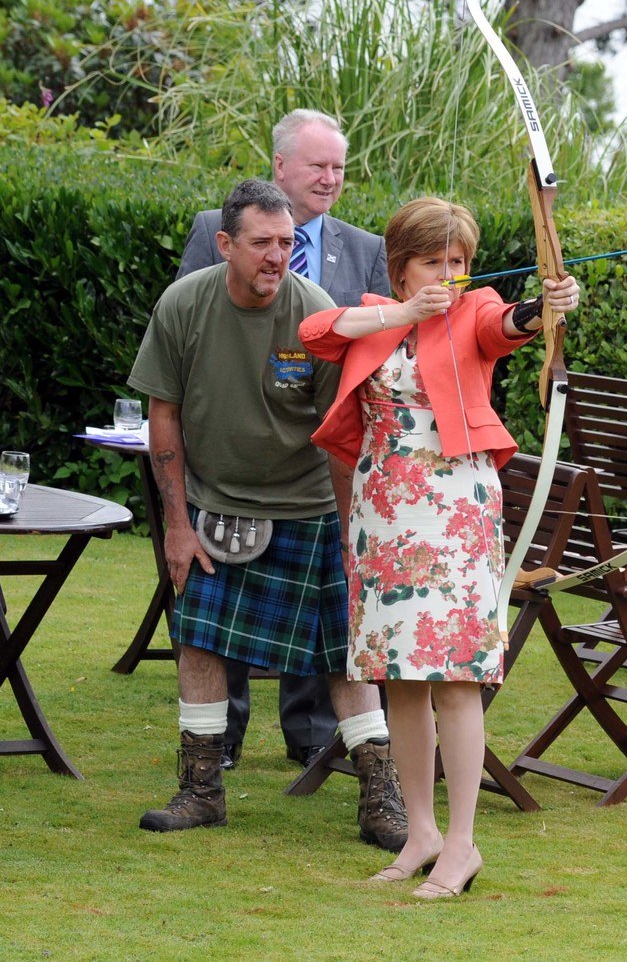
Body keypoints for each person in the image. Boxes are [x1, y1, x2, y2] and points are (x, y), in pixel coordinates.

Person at [300, 196, 579, 898]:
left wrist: (547, 304)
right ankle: (420, 830)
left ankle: (462, 843)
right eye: (435, 262)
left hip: (454, 513)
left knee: (455, 678)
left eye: (458, 262)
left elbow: (506, 322)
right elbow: (313, 330)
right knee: (401, 675)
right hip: (384, 512)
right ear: (401, 270)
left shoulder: (473, 308)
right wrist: (403, 314)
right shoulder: (376, 317)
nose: (450, 276)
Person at [130, 179, 408, 850]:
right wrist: (175, 521)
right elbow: (161, 415)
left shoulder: (313, 312)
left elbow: (344, 433)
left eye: (287, 242)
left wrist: (352, 536)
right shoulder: (185, 305)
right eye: (262, 242)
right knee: (198, 638)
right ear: (225, 244)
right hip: (216, 502)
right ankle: (201, 789)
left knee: (345, 656)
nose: (277, 255)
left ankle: (380, 796)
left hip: (307, 504)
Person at [176, 109, 389, 769]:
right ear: (280, 166)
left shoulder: (364, 248)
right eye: (318, 165)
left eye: (339, 168)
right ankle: (219, 747)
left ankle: (317, 736)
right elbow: (187, 329)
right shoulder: (210, 231)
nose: (330, 178)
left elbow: (376, 357)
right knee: (215, 628)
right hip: (227, 472)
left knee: (326, 625)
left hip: (315, 473)